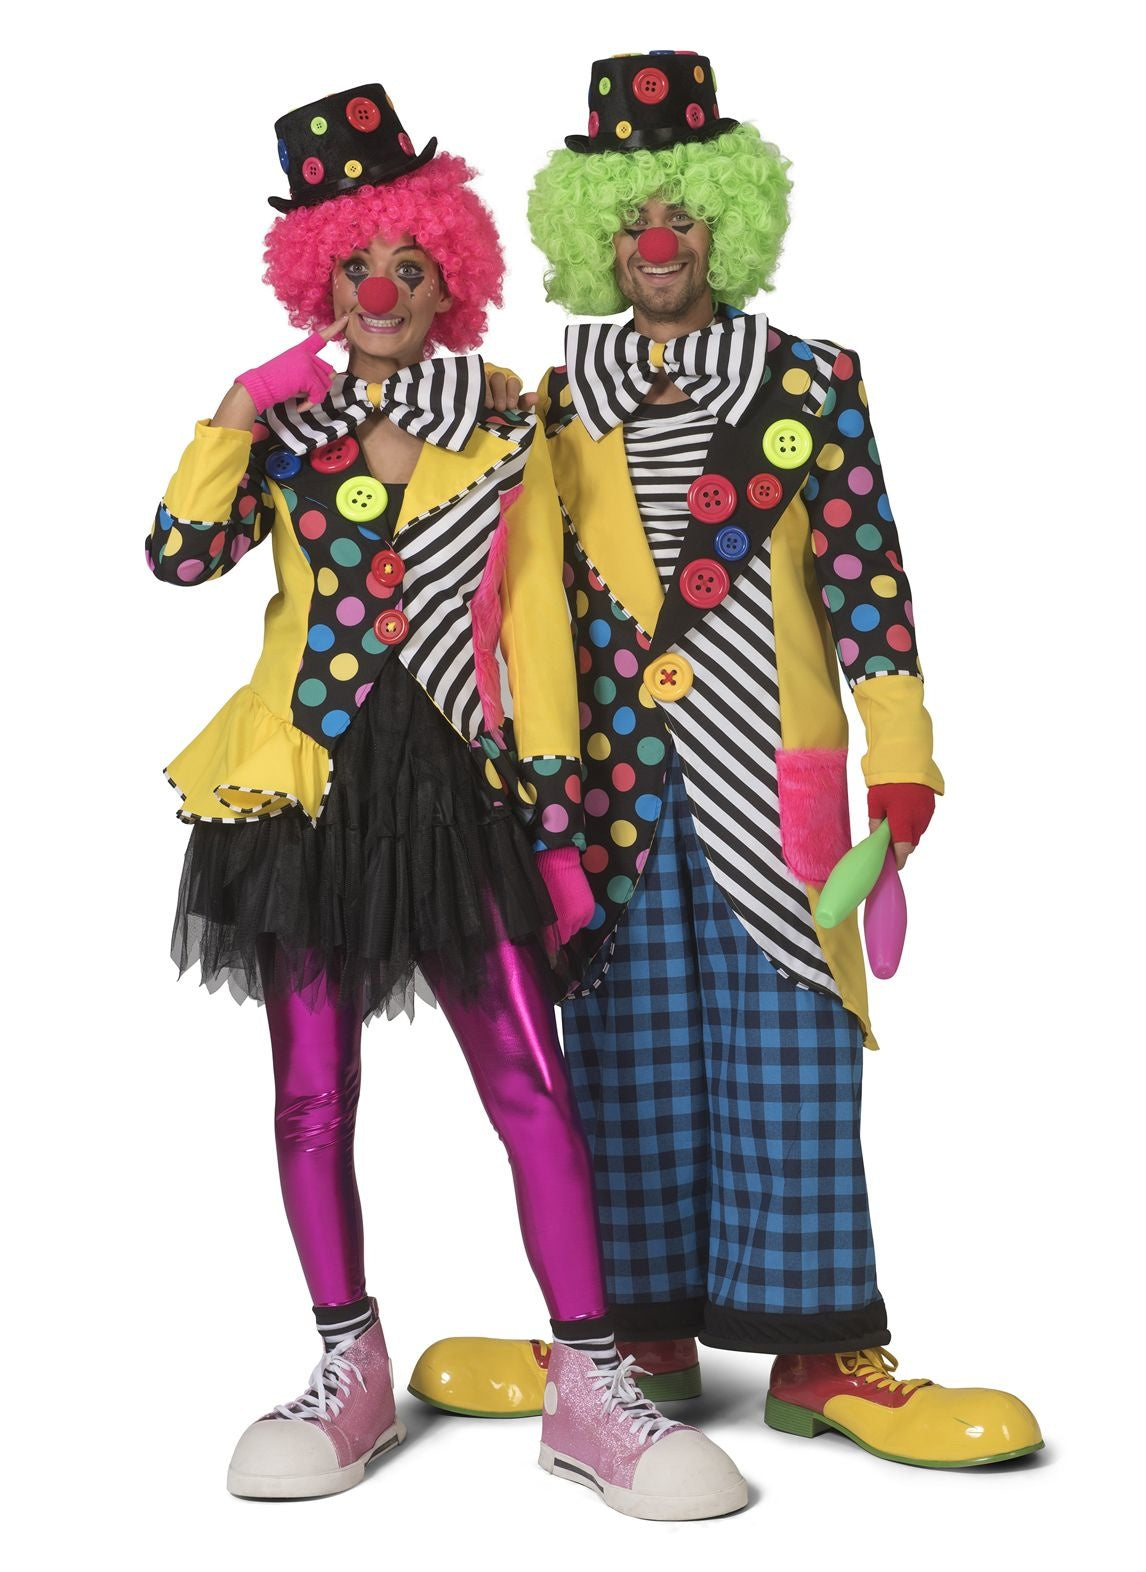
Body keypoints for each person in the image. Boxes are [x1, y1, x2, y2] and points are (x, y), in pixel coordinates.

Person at [411, 52, 1044, 1471]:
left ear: (728, 224)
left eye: (684, 216)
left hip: (772, 779)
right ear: (594, 235)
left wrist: (904, 759)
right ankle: (634, 1338)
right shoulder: (554, 404)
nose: (658, 244)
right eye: (633, 219)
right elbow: (510, 595)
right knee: (623, 1056)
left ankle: (823, 1355)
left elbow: (869, 584)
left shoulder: (811, 384)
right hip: (612, 794)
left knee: (794, 1053)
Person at [149, 82, 745, 1517]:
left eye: (408, 267)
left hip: (464, 791)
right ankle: (346, 1363)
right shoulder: (286, 435)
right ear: (318, 284)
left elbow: (536, 623)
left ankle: (589, 1382)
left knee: (531, 1082)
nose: (380, 293)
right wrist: (240, 406)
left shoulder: (504, 431)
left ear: (450, 281)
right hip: (305, 791)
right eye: (353, 268)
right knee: (310, 1093)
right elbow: (177, 555)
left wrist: (558, 811)